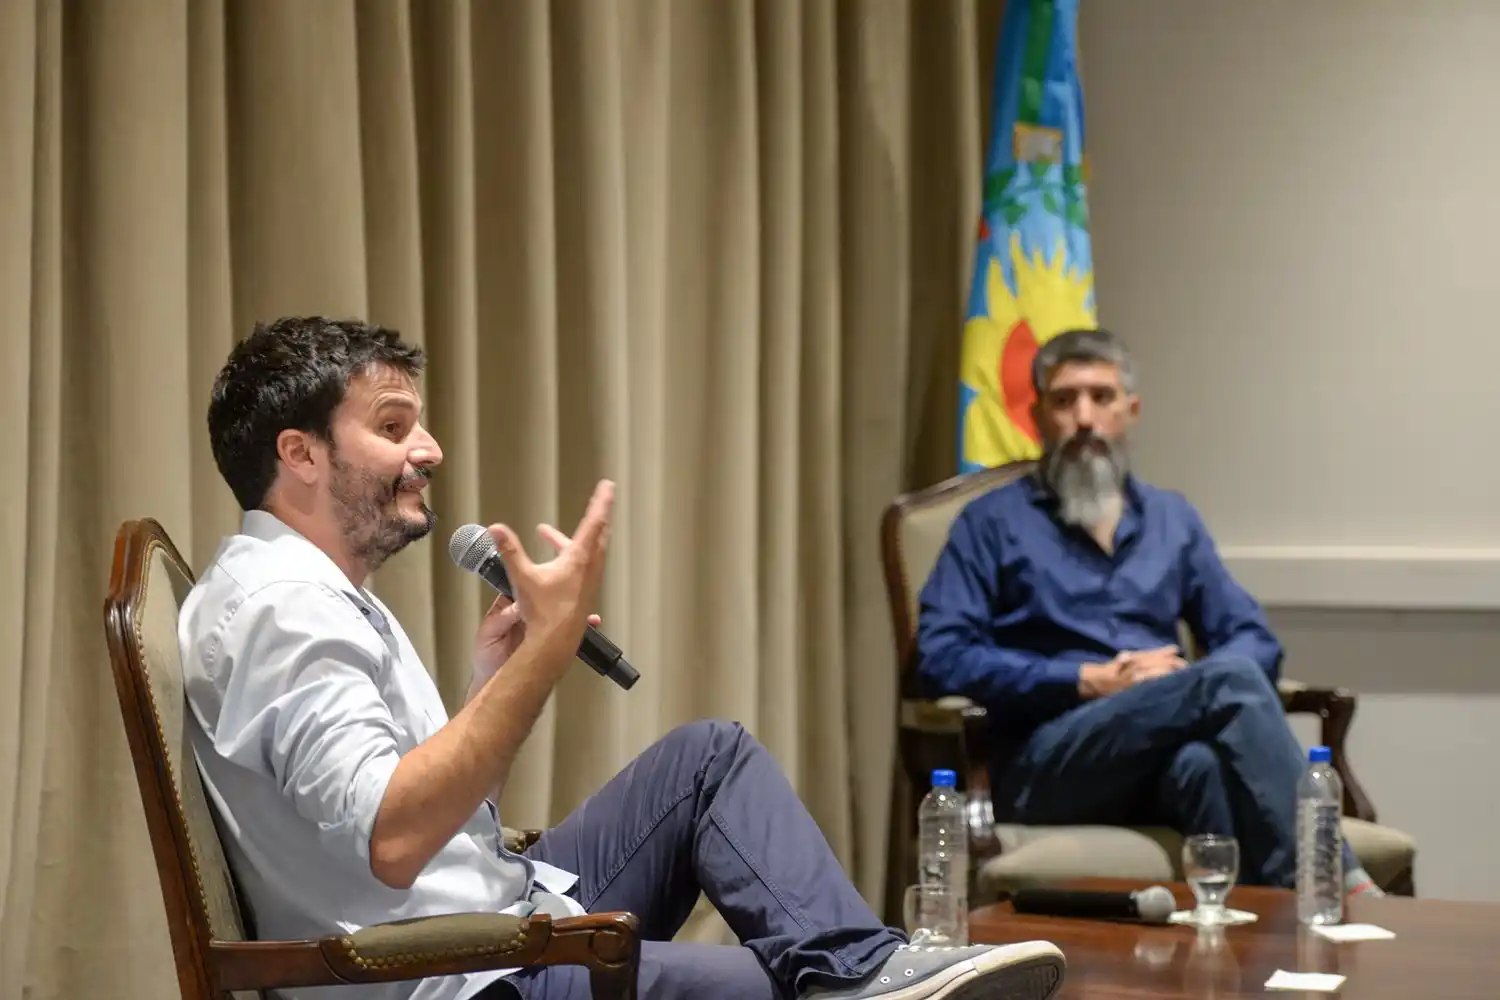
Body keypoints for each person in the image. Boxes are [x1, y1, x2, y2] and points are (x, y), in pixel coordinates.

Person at [179, 316, 1066, 1000]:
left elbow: (419, 820)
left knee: (708, 759)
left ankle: (857, 970)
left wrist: (496, 678)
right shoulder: (282, 611)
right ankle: (854, 982)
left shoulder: (310, 591)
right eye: (393, 424)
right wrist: (545, 657)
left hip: (496, 913)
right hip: (462, 976)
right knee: (776, 988)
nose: (429, 449)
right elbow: (395, 839)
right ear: (299, 453)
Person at [916, 327, 1383, 896]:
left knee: (1204, 763)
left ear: (1130, 411)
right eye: (1064, 400)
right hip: (1047, 761)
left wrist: (1184, 690)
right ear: (1037, 416)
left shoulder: (1171, 519)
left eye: (1101, 397)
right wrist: (1086, 680)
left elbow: (1252, 638)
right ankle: (1340, 891)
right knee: (1226, 682)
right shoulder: (991, 523)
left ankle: (1256, 954)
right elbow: (941, 656)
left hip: (1154, 758)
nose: (1084, 417)